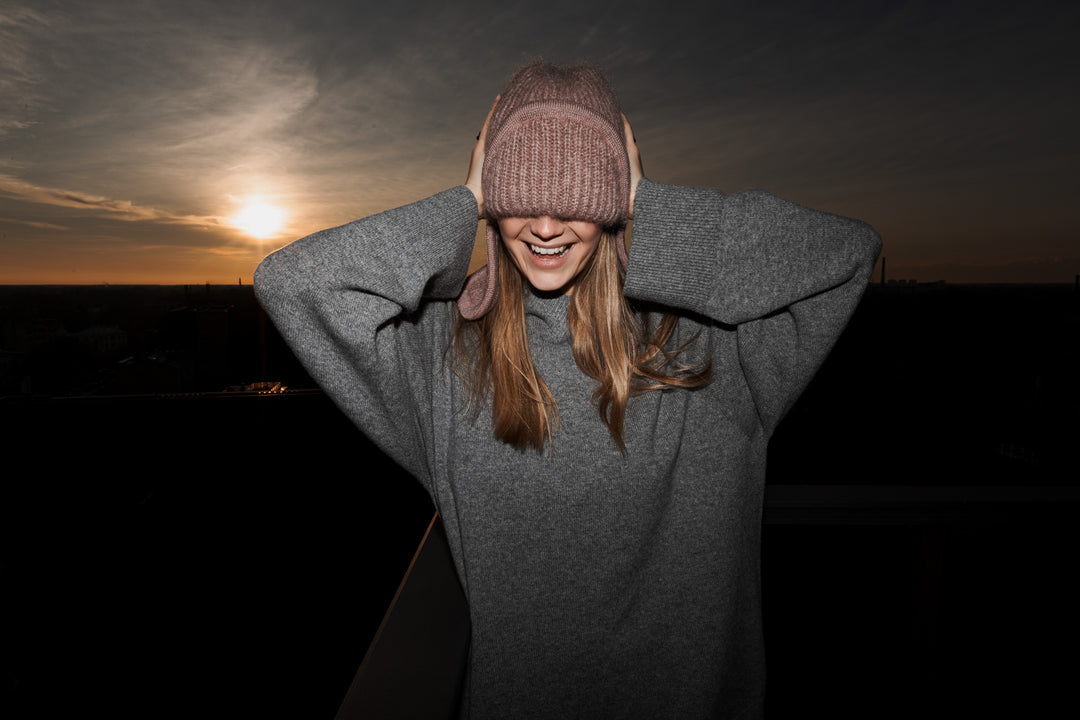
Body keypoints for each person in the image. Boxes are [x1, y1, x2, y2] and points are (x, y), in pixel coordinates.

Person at [254, 62, 881, 719]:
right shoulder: (443, 361)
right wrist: (464, 201)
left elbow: (847, 253)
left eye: (578, 196)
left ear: (611, 202)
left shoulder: (712, 351)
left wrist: (650, 205)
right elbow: (293, 283)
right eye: (519, 194)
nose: (546, 225)